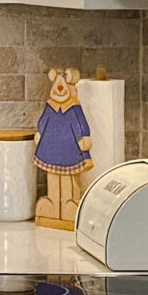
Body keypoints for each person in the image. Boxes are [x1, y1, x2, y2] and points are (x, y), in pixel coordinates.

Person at [32, 67, 93, 230]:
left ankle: (68, 204)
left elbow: (81, 125)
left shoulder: (73, 108)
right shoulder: (50, 107)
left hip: (68, 151)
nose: (59, 90)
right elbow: (43, 122)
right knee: (52, 178)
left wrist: (84, 137)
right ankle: (52, 203)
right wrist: (40, 133)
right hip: (51, 149)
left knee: (68, 180)